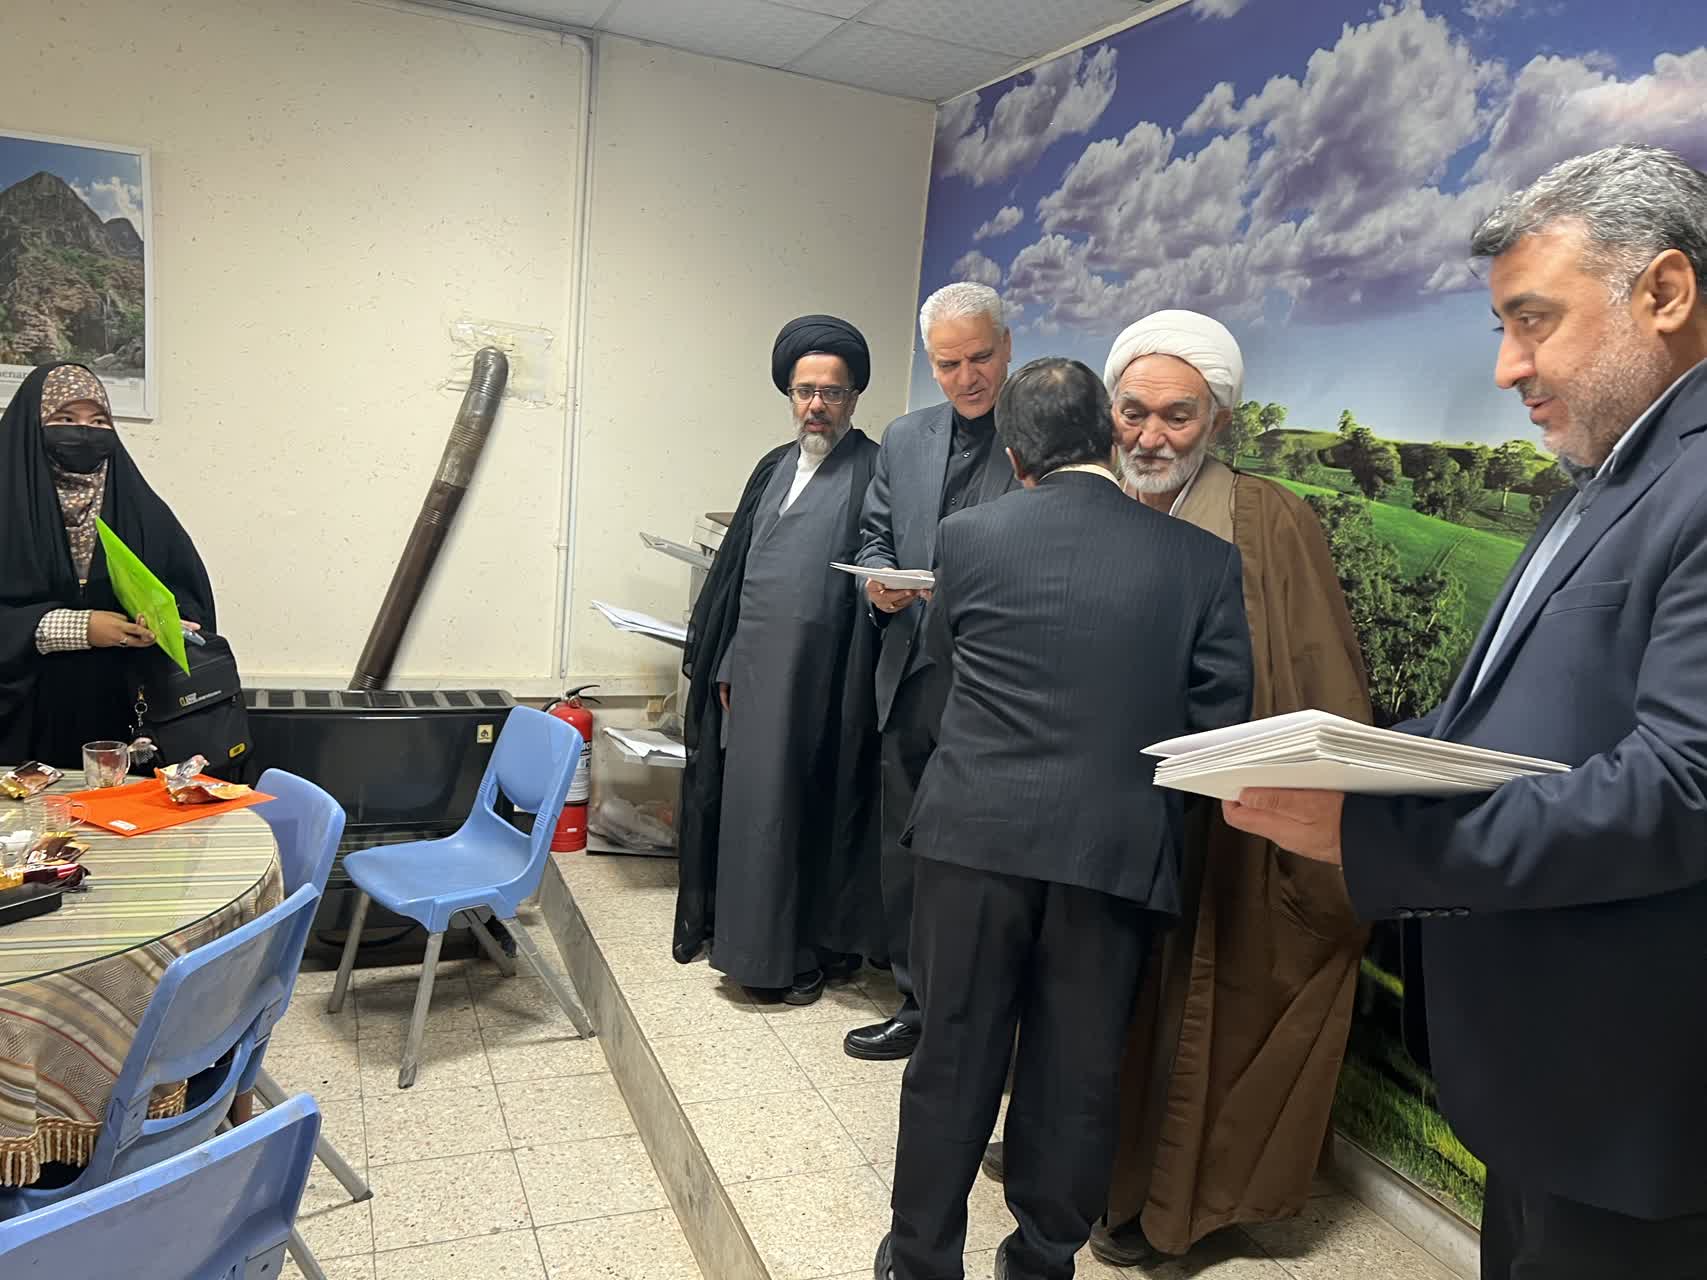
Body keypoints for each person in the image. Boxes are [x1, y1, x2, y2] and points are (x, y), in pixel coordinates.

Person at [1222, 143, 1707, 1279]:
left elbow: (1684, 785)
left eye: (1532, 321)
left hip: (1636, 1106)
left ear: (1666, 291)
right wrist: (1352, 759)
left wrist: (1377, 834)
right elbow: (1507, 715)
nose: (1505, 368)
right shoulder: (1612, 476)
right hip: (1555, 1086)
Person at [981, 312, 1373, 1268]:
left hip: (1211, 832)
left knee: (1177, 1015)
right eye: (1133, 413)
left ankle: (1155, 1206)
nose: (1150, 437)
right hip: (1084, 816)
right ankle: (1059, 1164)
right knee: (1069, 1004)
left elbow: (1316, 679)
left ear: (1218, 421)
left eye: (1178, 417)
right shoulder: (1086, 503)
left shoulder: (1267, 521)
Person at [874, 357, 1252, 1280]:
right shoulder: (1201, 560)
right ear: (1111, 434)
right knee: (1076, 1069)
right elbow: (1218, 721)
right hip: (1113, 851)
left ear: (1013, 454)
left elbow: (944, 659)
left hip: (971, 837)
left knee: (952, 1054)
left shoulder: (967, 537)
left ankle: (920, 1260)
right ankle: (1041, 1261)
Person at [672, 315, 883, 1004]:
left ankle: (799, 955)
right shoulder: (772, 467)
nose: (816, 405)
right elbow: (741, 577)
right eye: (804, 391)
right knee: (750, 813)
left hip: (825, 683)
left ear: (853, 397)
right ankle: (742, 947)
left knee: (804, 815)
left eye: (831, 392)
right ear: (789, 395)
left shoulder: (874, 470)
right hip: (754, 677)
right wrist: (728, 660)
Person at [846, 281, 1018, 1062]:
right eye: (947, 364)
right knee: (905, 851)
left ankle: (981, 1021)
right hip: (910, 673)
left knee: (983, 864)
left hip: (996, 690)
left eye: (979, 357)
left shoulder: (1040, 436)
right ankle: (914, 1003)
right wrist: (878, 587)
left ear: (1006, 347)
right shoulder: (906, 436)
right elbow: (875, 535)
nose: (966, 377)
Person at [0, 363, 215, 768]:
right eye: (65, 418)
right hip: (20, 726)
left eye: (98, 420)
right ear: (31, 425)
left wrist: (167, 624)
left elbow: (189, 601)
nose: (84, 431)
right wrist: (75, 628)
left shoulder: (141, 511)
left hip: (122, 727)